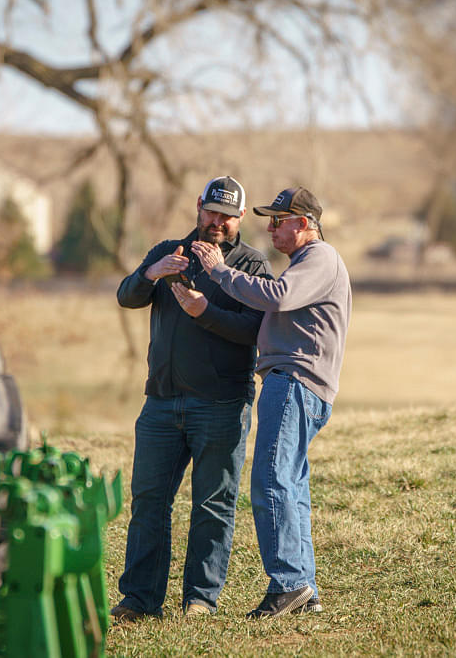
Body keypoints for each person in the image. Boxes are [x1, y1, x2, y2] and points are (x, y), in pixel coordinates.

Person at [111, 175, 274, 621]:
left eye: (227, 216)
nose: (217, 222)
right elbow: (126, 297)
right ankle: (140, 601)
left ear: (241, 216)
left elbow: (256, 330)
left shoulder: (253, 266)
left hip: (221, 404)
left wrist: (206, 312)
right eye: (211, 212)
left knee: (213, 505)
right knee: (148, 502)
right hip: (161, 402)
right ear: (198, 206)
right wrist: (150, 274)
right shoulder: (168, 252)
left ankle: (200, 600)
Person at [191, 186, 351, 618]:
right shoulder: (307, 262)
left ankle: (288, 584)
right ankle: (304, 590)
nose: (269, 228)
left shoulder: (319, 258)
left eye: (278, 221)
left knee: (271, 480)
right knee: (291, 486)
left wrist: (222, 272)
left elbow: (276, 297)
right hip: (296, 384)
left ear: (304, 224)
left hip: (295, 381)